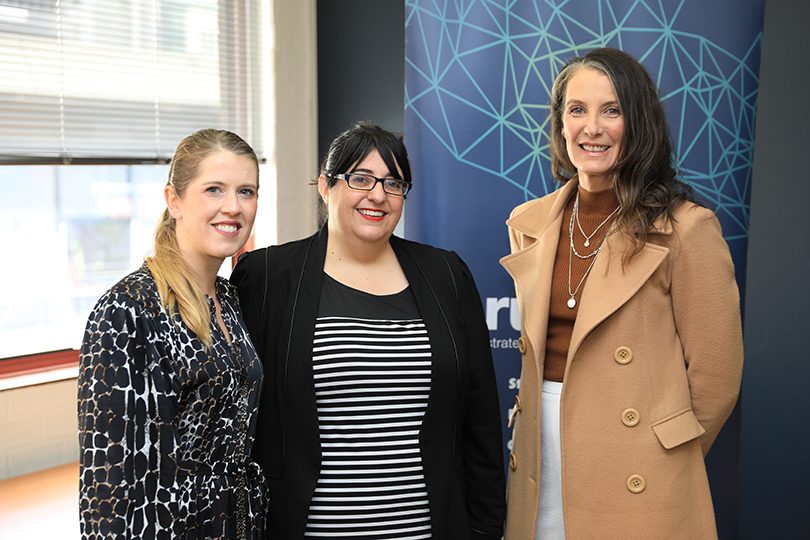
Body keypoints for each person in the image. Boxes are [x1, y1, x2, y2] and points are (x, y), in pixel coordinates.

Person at [500, 48, 743, 539]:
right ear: (561, 124)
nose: (592, 127)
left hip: (638, 475)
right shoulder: (530, 223)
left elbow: (716, 379)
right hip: (539, 459)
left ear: (638, 123)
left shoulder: (687, 229)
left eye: (611, 110)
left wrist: (657, 456)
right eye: (577, 109)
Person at [231, 121, 505, 539]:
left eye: (394, 184)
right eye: (360, 179)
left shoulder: (446, 274)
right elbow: (238, 415)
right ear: (325, 186)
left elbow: (480, 416)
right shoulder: (268, 276)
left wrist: (486, 528)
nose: (378, 195)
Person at [78, 129, 267, 539]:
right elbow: (107, 487)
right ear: (174, 200)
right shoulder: (128, 310)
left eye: (246, 191)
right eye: (214, 190)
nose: (233, 207)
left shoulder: (232, 299)